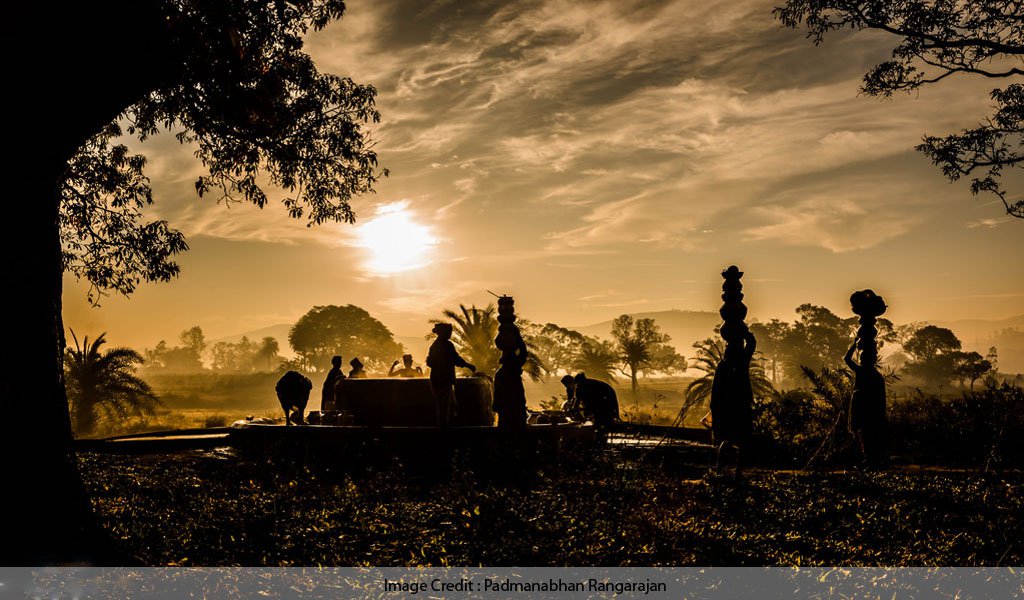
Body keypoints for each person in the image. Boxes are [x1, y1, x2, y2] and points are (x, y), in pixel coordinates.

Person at [710, 328, 756, 478]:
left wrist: (715, 408)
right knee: (740, 440)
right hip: (738, 406)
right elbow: (752, 343)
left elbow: (715, 391)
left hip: (727, 407)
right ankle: (736, 471)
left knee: (727, 440)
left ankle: (720, 469)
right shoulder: (742, 362)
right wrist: (745, 333)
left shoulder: (722, 367)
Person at [845, 338, 888, 466]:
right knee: (868, 435)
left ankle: (869, 459)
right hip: (871, 410)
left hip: (863, 409)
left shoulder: (862, 372)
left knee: (865, 435)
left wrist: (854, 345)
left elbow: (847, 359)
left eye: (864, 360)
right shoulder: (876, 376)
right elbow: (882, 398)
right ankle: (870, 459)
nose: (862, 361)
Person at [426, 323, 475, 427]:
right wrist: (468, 365)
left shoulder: (435, 345)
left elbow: (430, 362)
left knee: (442, 405)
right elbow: (455, 358)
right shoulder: (446, 345)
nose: (450, 334)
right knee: (444, 407)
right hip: (444, 380)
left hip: (436, 380)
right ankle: (443, 430)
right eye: (449, 331)